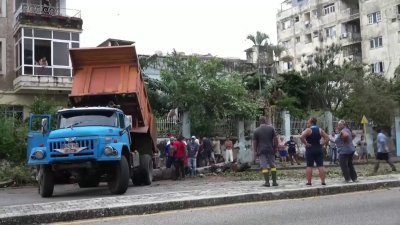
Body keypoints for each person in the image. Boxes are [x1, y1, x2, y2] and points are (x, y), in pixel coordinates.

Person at [300, 117, 330, 186]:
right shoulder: (320, 130)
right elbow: (327, 138)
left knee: (309, 166)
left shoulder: (308, 130)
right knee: (320, 165)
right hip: (318, 148)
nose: (307, 124)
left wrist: (306, 143)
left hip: (310, 149)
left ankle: (309, 182)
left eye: (308, 122)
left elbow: (301, 137)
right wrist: (322, 144)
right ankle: (323, 181)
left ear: (311, 123)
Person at [253, 116, 279, 187]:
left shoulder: (256, 130)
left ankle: (267, 182)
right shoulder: (271, 128)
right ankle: (274, 182)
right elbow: (276, 139)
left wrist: (255, 151)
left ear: (259, 122)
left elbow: (255, 142)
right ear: (266, 121)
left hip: (261, 150)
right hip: (271, 149)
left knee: (264, 166)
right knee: (273, 165)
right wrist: (276, 148)